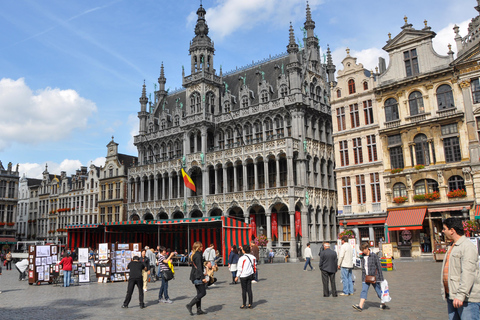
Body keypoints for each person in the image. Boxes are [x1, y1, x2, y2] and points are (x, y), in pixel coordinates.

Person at [441, 218, 480, 319]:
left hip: (467, 299)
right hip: (452, 295)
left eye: (444, 229)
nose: (443, 231)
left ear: (452, 230)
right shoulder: (452, 246)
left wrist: (461, 294)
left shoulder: (467, 247)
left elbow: (468, 273)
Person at [353, 242, 385, 312]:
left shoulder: (374, 256)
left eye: (363, 250)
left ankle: (383, 303)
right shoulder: (363, 256)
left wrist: (381, 278)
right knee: (364, 290)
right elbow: (363, 267)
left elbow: (379, 267)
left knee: (378, 291)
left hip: (374, 277)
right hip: (365, 277)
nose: (362, 251)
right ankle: (360, 306)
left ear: (367, 248)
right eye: (361, 250)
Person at [186, 241, 208, 316]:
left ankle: (199, 310)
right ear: (198, 247)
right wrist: (202, 278)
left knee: (199, 293)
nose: (202, 248)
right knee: (203, 292)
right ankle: (190, 305)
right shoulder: (198, 255)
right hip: (197, 276)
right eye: (201, 246)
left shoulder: (195, 254)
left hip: (195, 275)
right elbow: (199, 268)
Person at [235, 244, 257, 309]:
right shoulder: (253, 257)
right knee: (249, 289)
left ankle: (244, 304)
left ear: (244, 251)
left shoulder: (242, 258)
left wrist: (237, 276)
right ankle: (250, 303)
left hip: (243, 275)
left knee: (244, 290)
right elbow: (254, 266)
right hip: (250, 274)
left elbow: (240, 268)